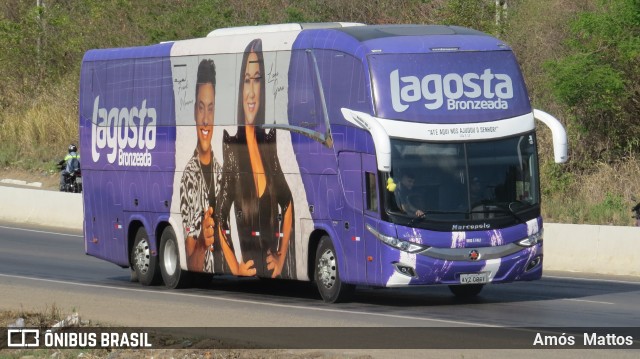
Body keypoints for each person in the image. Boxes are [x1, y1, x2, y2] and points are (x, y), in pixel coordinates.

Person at [215, 38, 296, 279]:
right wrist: (234, 266)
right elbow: (220, 217)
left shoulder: (268, 143)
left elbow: (289, 202)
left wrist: (280, 256)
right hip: (250, 272)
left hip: (275, 276)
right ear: (239, 88)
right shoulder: (232, 148)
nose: (251, 92)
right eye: (246, 80)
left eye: (257, 80)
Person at [179, 59, 223, 273]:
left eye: (211, 109)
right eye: (201, 108)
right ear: (194, 112)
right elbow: (190, 261)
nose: (205, 120)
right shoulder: (188, 178)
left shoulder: (222, 174)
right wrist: (203, 245)